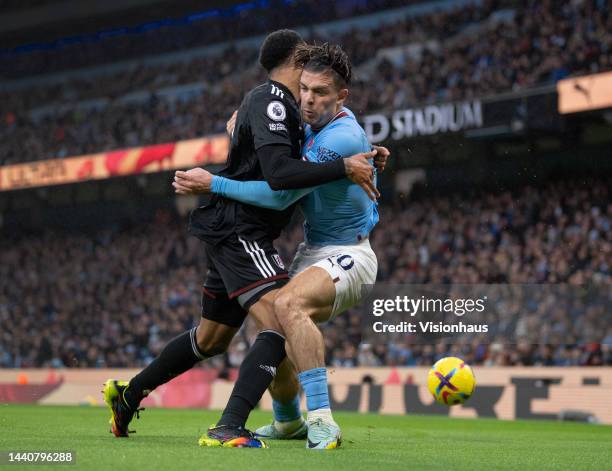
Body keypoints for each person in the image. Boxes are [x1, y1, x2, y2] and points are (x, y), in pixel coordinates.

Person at [102, 29, 380, 447]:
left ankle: (132, 395)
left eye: (319, 91)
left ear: (340, 95)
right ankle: (245, 423)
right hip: (243, 231)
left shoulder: (296, 114)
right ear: (295, 68)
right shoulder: (277, 105)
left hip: (328, 246)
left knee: (218, 336)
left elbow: (293, 176)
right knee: (272, 319)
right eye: (304, 87)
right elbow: (289, 177)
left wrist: (364, 157)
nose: (307, 98)